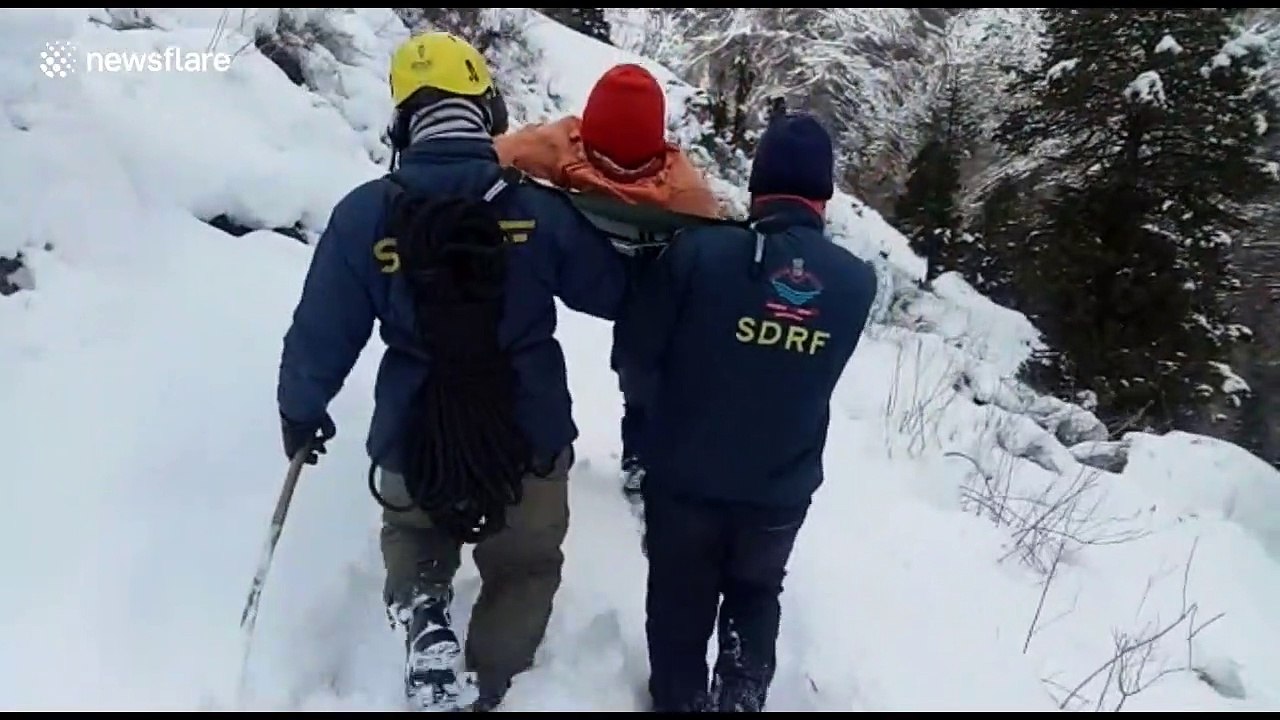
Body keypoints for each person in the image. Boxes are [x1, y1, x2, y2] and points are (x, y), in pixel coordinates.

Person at [275, 31, 629, 712]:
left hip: (416, 433)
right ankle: (489, 687)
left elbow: (322, 330)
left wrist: (300, 410)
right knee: (524, 565)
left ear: (404, 119)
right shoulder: (533, 205)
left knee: (412, 532)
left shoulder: (363, 215)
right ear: (486, 107)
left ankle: (424, 617)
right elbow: (611, 291)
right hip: (526, 434)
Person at [615, 112, 879, 712]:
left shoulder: (700, 252)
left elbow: (635, 352)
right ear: (824, 195)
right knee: (757, 592)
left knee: (680, 600)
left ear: (758, 185)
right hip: (781, 484)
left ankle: (680, 702)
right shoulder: (855, 282)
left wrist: (650, 416)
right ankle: (740, 695)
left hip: (686, 474)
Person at [494, 62, 721, 496]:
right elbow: (484, 161)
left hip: (639, 288)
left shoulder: (687, 194)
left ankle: (643, 446)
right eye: (604, 162)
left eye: (629, 168)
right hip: (569, 269)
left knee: (646, 362)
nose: (616, 173)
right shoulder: (548, 146)